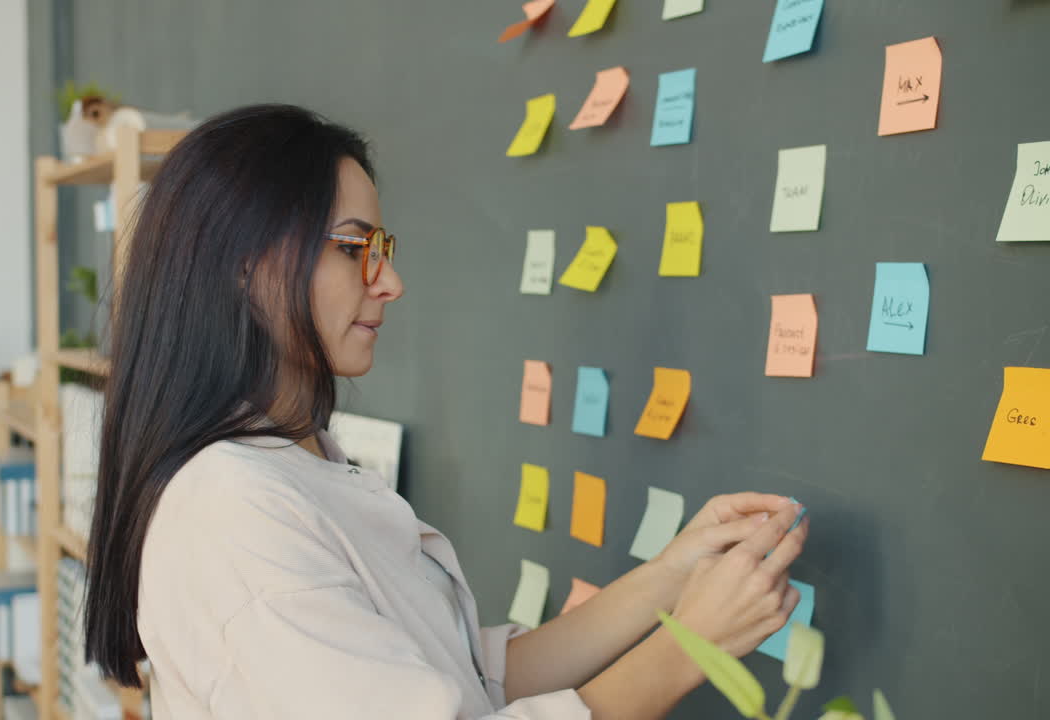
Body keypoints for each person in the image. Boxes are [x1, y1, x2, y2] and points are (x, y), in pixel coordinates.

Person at [83, 104, 810, 719]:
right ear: (245, 267)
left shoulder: (295, 461)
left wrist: (674, 573)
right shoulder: (231, 515)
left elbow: (472, 679)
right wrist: (691, 647)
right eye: (354, 248)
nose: (390, 281)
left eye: (383, 248)